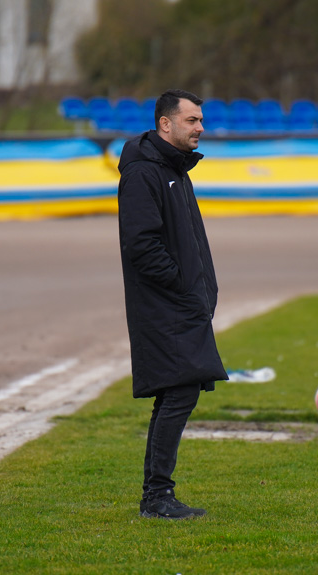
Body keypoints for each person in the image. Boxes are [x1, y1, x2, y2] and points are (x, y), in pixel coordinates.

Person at [117, 89, 228, 520]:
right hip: (165, 305)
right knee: (180, 389)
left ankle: (157, 495)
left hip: (181, 304)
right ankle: (156, 496)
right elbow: (141, 245)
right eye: (192, 120)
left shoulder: (175, 169)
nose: (201, 128)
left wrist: (204, 289)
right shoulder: (145, 173)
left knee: (177, 391)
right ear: (166, 124)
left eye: (201, 120)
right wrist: (183, 286)